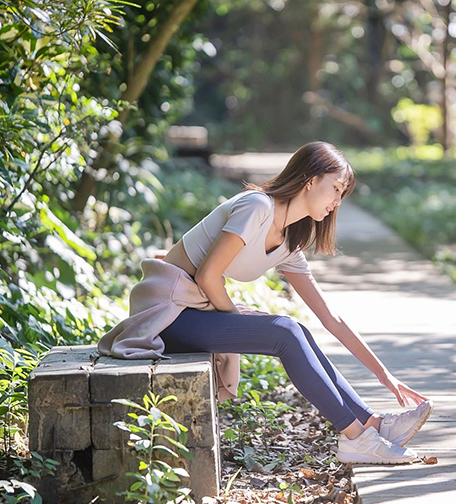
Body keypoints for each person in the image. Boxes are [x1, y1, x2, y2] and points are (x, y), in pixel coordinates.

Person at [100, 141, 433, 465]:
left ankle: (372, 424)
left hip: (195, 312)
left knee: (294, 328)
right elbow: (207, 276)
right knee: (284, 331)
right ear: (311, 180)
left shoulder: (291, 241)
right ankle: (356, 437)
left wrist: (385, 375)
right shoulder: (256, 206)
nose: (338, 201)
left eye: (342, 194)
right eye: (335, 189)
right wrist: (233, 316)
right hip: (165, 312)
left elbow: (330, 317)